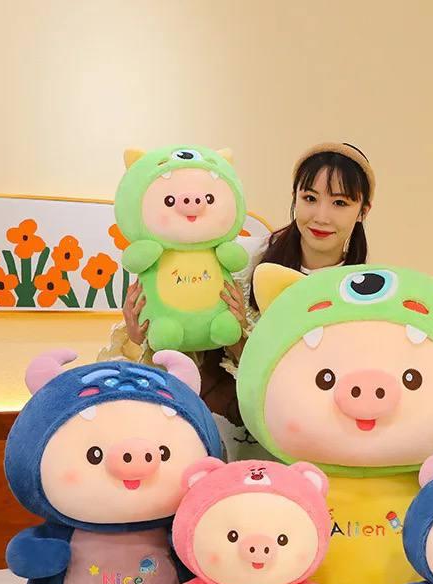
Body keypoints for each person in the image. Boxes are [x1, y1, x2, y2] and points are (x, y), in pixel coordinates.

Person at [107, 142, 375, 458]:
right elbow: (186, 346)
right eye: (309, 198)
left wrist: (240, 343)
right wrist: (141, 335)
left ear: (363, 210)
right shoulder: (243, 259)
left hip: (306, 446)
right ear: (295, 197)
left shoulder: (362, 293)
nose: (321, 216)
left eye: (340, 202)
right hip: (218, 437)